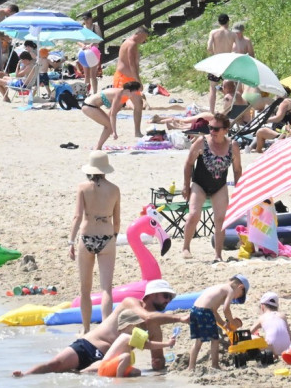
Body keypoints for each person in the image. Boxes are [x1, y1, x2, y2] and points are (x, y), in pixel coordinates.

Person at [13, 279, 189, 376]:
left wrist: (162, 361)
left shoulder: (155, 326)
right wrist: (180, 318)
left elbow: (157, 361)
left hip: (108, 358)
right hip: (88, 345)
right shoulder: (131, 302)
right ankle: (24, 376)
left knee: (132, 372)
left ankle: (82, 373)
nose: (168, 301)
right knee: (56, 365)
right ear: (151, 295)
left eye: (171, 299)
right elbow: (147, 316)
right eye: (166, 296)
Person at [69, 151, 120, 335]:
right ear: (105, 169)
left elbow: (77, 216)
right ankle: (106, 329)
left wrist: (70, 241)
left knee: (85, 288)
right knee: (106, 288)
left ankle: (85, 329)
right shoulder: (114, 189)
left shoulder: (82, 188)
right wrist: (113, 236)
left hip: (87, 236)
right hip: (107, 237)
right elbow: (117, 219)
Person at [181, 112, 242, 261]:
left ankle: (218, 254)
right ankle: (186, 247)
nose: (212, 132)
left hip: (219, 186)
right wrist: (185, 185)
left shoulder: (232, 145)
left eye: (215, 129)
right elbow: (189, 163)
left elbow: (237, 169)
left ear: (225, 130)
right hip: (199, 183)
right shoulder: (202, 142)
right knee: (194, 215)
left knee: (221, 219)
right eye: (210, 128)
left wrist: (239, 188)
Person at [188, 275, 249, 371]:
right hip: (205, 311)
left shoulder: (218, 287)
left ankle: (191, 367)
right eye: (239, 296)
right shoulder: (230, 290)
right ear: (240, 287)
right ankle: (215, 365)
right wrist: (232, 321)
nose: (235, 298)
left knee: (198, 341)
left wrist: (224, 324)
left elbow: (214, 311)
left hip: (194, 310)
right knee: (215, 340)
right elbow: (226, 309)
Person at [90, 325, 177, 378]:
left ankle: (119, 377)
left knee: (137, 372)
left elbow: (145, 343)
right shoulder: (126, 337)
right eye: (136, 325)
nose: (139, 328)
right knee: (126, 356)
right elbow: (147, 345)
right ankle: (118, 380)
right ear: (128, 326)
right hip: (105, 369)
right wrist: (167, 343)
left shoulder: (125, 338)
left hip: (107, 368)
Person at [81, 81, 144, 150]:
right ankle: (98, 147)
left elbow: (111, 113)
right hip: (88, 106)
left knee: (109, 126)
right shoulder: (118, 95)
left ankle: (98, 147)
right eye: (135, 92)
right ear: (128, 91)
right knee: (109, 126)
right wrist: (114, 132)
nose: (135, 95)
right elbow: (113, 115)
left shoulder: (122, 94)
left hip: (91, 106)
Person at [114, 27, 148, 136]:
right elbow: (131, 64)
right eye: (144, 38)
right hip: (124, 78)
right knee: (117, 105)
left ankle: (137, 131)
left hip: (127, 77)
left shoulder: (128, 42)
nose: (144, 41)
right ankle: (109, 127)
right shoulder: (132, 44)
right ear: (140, 34)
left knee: (138, 103)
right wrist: (138, 81)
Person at [206, 14, 235, 114]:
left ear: (218, 22)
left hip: (216, 61)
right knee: (229, 88)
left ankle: (211, 111)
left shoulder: (213, 32)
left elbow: (209, 47)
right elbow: (235, 49)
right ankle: (227, 111)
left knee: (212, 87)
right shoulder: (232, 34)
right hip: (227, 62)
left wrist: (213, 53)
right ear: (228, 21)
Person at [251, 292, 291, 357]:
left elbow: (248, 332)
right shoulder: (282, 316)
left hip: (271, 349)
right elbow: (290, 336)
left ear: (262, 306)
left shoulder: (262, 318)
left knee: (252, 337)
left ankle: (273, 352)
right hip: (287, 348)